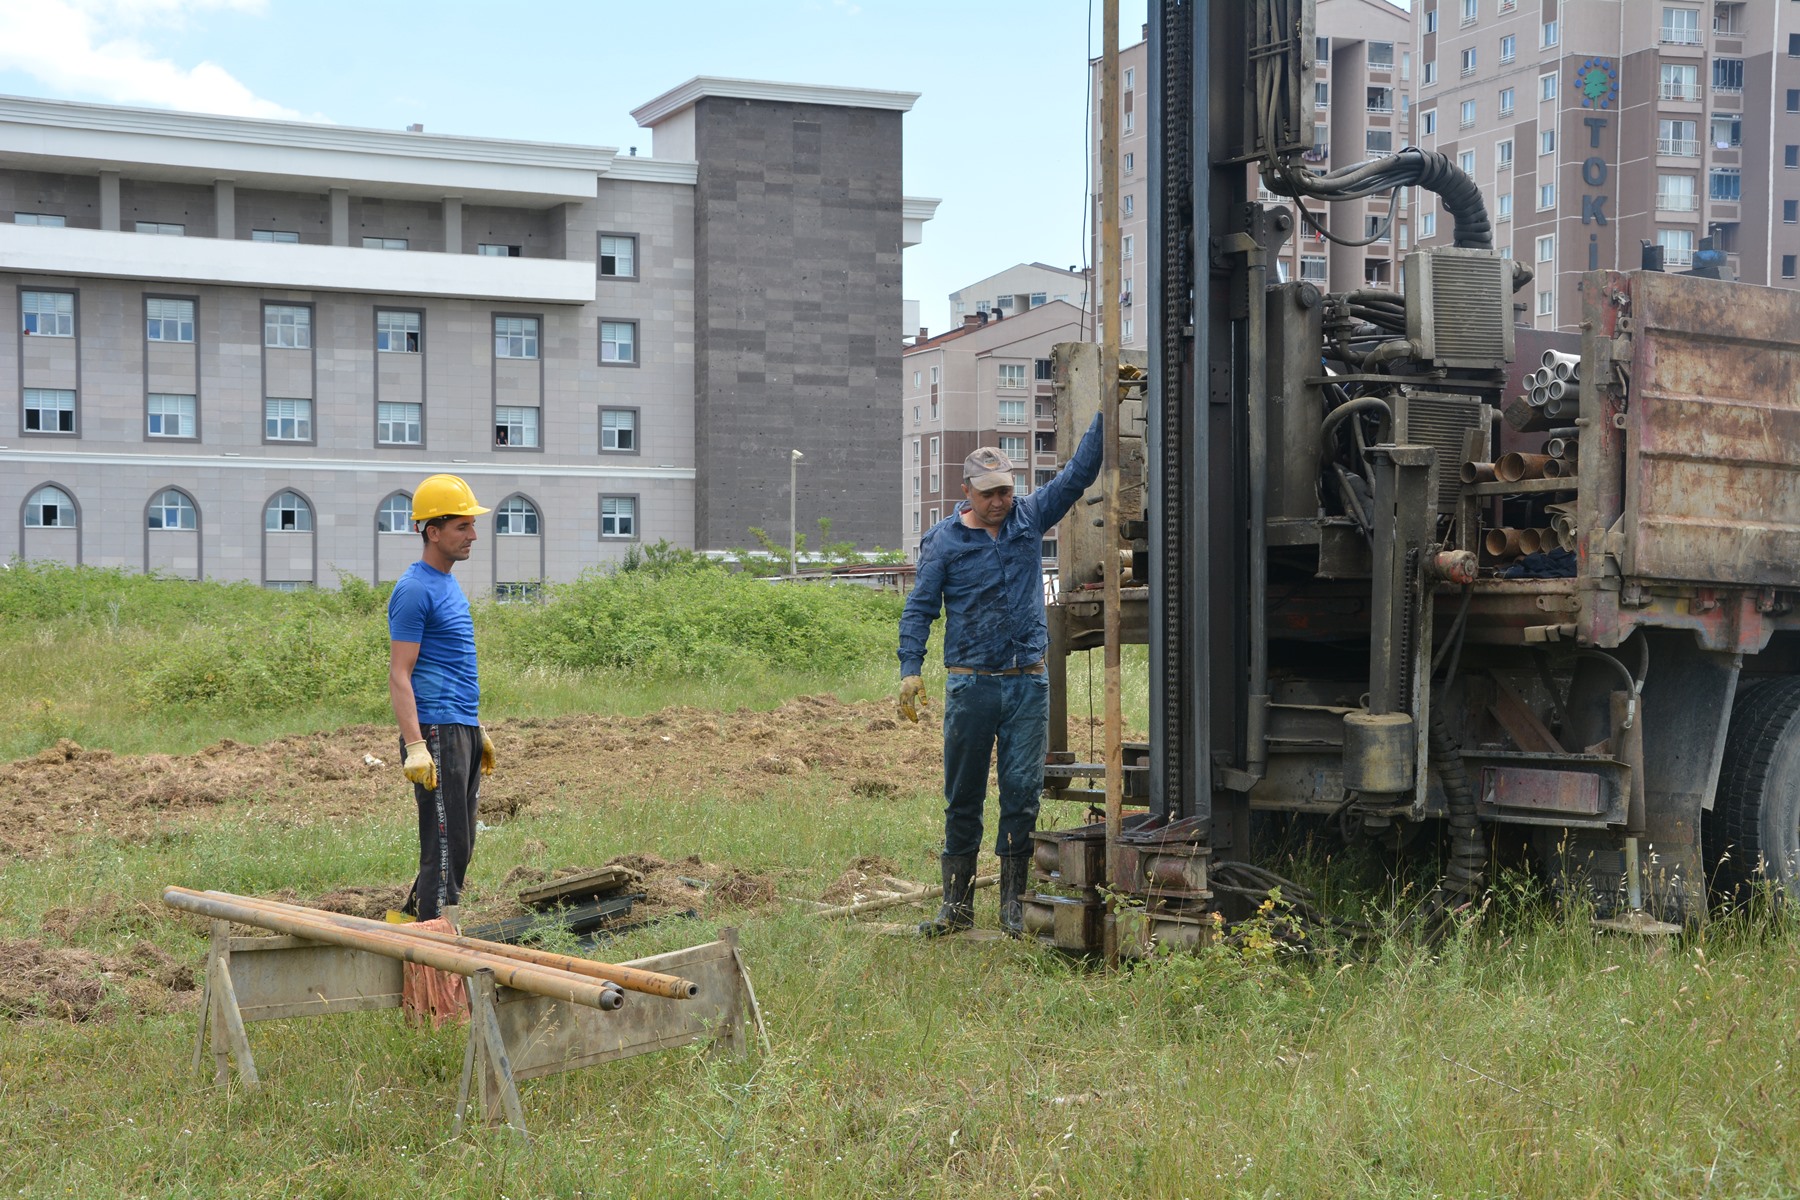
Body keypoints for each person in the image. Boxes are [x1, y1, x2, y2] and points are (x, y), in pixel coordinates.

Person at [898, 411, 1105, 937]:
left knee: (1020, 795)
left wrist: (1107, 406)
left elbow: (1077, 477)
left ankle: (1013, 903)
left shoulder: (1030, 518)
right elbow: (920, 608)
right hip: (972, 685)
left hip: (1027, 684)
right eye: (988, 493)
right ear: (966, 490)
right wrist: (910, 669)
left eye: (1005, 491)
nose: (999, 501)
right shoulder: (943, 542)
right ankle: (957, 906)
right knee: (963, 796)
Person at [388, 474, 496, 926]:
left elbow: (451, 665)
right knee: (446, 848)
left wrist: (475, 726)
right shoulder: (414, 589)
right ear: (432, 531)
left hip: (459, 726)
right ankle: (430, 951)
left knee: (459, 844)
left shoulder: (447, 583)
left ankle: (412, 922)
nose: (473, 535)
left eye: (472, 525)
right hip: (434, 731)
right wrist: (416, 745)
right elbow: (400, 673)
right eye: (462, 526)